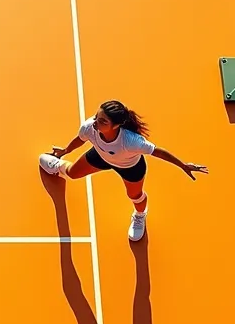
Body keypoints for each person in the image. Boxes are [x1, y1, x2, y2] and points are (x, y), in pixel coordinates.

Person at [39, 100, 208, 241]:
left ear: (117, 125)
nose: (96, 122)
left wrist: (183, 165)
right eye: (97, 117)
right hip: (100, 156)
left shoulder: (132, 141)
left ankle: (140, 216)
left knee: (135, 196)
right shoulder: (90, 127)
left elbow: (159, 152)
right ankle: (58, 166)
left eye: (103, 121)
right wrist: (64, 152)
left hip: (130, 168)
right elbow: (80, 139)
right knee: (72, 173)